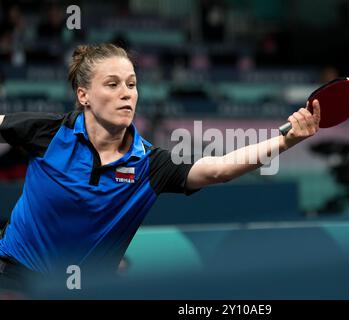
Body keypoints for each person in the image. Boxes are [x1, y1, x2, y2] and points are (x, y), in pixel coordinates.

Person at [0, 43, 321, 294]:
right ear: (83, 95)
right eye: (112, 84)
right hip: (14, 276)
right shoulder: (50, 134)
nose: (126, 93)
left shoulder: (150, 164)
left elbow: (219, 168)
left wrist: (285, 142)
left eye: (131, 84)